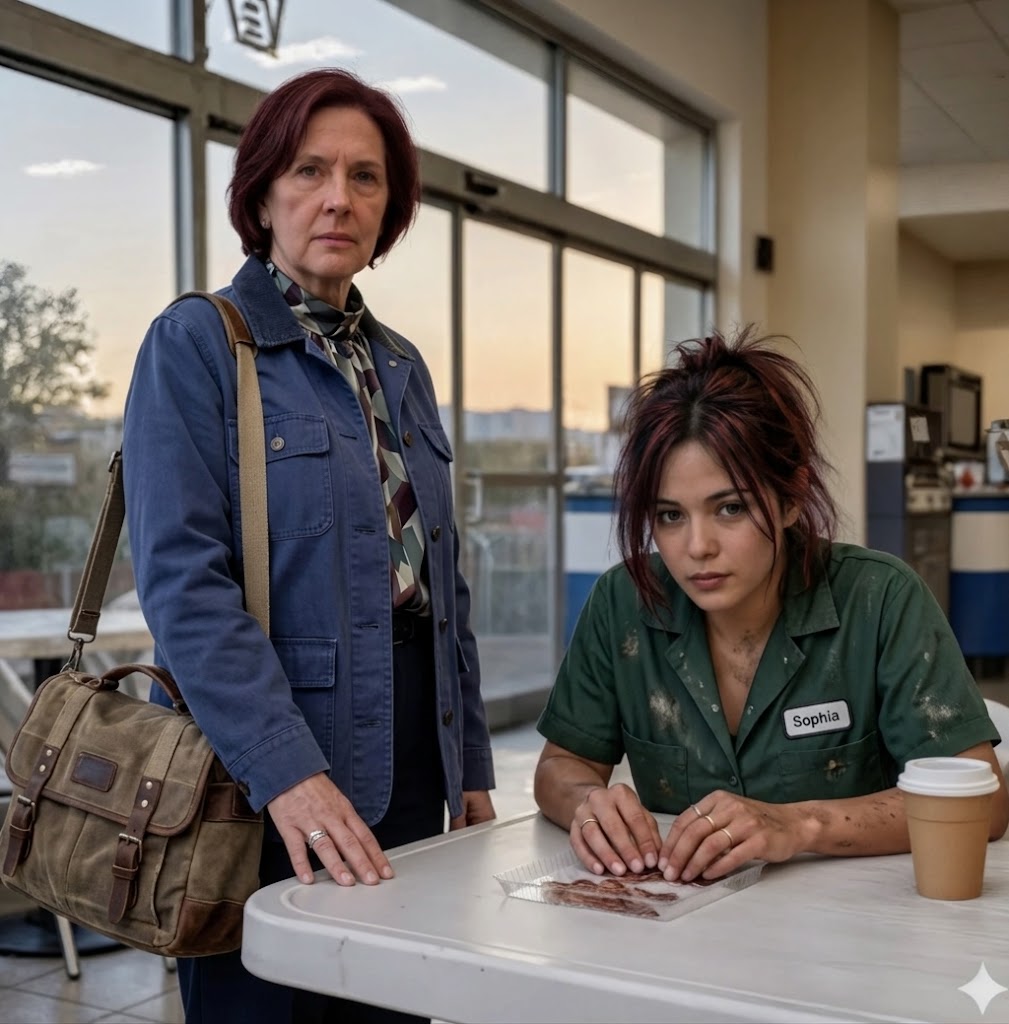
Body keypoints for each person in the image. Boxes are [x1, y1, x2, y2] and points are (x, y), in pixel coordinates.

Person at [122, 68, 495, 1023]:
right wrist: (285, 769)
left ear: (390, 205)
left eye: (365, 177)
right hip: (267, 759)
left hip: (417, 751)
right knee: (270, 1004)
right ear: (262, 192)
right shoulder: (200, 342)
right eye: (309, 169)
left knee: (394, 1002)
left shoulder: (402, 364)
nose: (338, 197)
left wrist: (476, 769)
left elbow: (441, 582)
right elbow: (182, 587)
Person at [534, 328, 1008, 888]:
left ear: (791, 496)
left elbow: (982, 800)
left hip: (858, 936)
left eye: (729, 508)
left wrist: (799, 825)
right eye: (669, 515)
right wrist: (591, 802)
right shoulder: (624, 603)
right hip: (680, 942)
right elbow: (562, 766)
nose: (697, 547)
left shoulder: (881, 599)